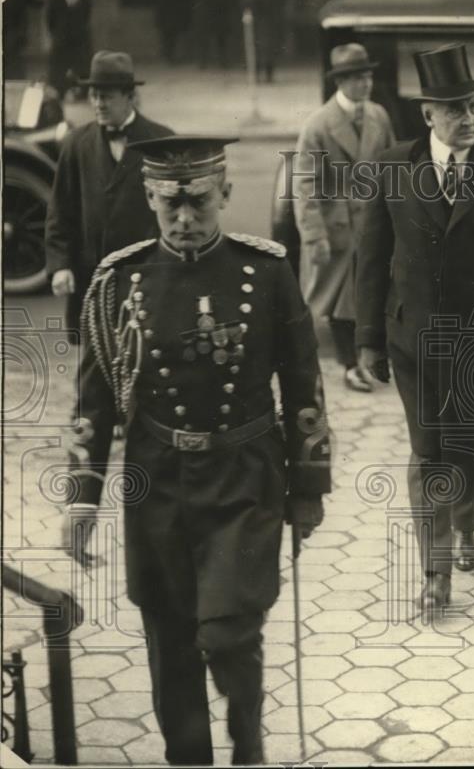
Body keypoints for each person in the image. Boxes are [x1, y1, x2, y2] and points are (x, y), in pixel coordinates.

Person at [63, 135, 331, 765]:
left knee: (229, 630)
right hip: (156, 482)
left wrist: (310, 488)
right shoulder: (117, 282)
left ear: (226, 196)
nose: (185, 221)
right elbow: (93, 405)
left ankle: (248, 744)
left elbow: (304, 384)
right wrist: (81, 502)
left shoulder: (265, 272)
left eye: (201, 206)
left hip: (245, 476)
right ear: (150, 198)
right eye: (170, 208)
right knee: (171, 636)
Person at [355, 44, 474, 610]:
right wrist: (367, 339)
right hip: (414, 339)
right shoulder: (393, 167)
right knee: (429, 450)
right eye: (454, 109)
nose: (467, 119)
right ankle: (435, 570)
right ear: (427, 115)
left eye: (473, 108)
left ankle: (467, 526)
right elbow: (370, 260)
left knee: (473, 445)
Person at [44, 51, 173, 341]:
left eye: (107, 96)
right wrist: (60, 265)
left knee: (145, 360)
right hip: (92, 281)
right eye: (93, 95)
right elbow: (60, 211)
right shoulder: (77, 144)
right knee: (94, 371)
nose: (98, 104)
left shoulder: (161, 140)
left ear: (129, 96)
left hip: (145, 279)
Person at [293, 43, 395, 392]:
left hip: (372, 223)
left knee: (370, 291)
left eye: (367, 76)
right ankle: (350, 365)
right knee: (340, 301)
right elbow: (305, 184)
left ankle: (370, 358)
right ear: (340, 82)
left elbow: (392, 168)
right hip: (337, 227)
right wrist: (314, 235)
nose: (365, 84)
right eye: (356, 78)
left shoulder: (379, 116)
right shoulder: (318, 125)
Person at [45, 0, 92, 97]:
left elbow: (85, 20)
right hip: (60, 43)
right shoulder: (55, 1)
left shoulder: (86, 0)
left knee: (82, 69)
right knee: (57, 73)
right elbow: (50, 23)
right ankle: (59, 91)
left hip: (79, 44)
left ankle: (78, 92)